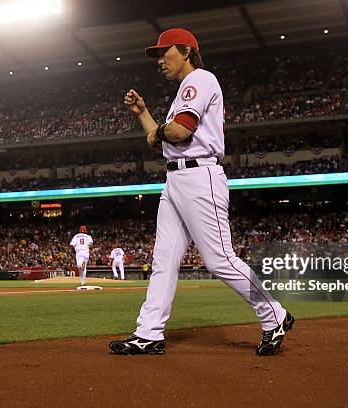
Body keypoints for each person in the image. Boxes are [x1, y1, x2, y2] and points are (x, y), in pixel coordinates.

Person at [109, 28, 293, 356]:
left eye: (165, 52)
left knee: (219, 259)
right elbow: (161, 137)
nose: (160, 60)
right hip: (176, 181)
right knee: (163, 261)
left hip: (200, 176)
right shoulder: (183, 90)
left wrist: (159, 133)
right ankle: (149, 333)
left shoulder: (200, 79)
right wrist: (144, 116)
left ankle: (273, 314)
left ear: (186, 50)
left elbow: (178, 131)